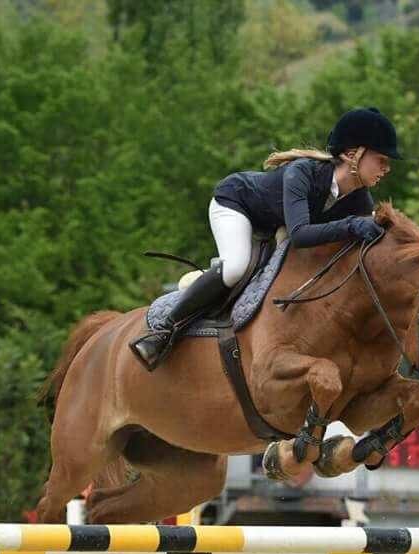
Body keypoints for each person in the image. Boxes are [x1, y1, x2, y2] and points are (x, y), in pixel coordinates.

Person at [130, 106, 402, 370]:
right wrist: (353, 224)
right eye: (382, 160)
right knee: (236, 267)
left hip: (277, 225)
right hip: (238, 205)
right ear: (354, 155)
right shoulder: (303, 172)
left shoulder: (359, 199)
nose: (387, 168)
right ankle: (164, 330)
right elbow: (299, 235)